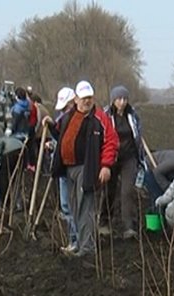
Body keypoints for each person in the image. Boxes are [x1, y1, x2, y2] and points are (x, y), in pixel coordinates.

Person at [50, 80, 119, 258]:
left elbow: (111, 142)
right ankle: (79, 243)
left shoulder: (99, 118)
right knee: (73, 208)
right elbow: (61, 135)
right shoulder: (69, 117)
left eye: (89, 98)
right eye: (83, 98)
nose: (87, 101)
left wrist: (105, 165)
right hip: (68, 167)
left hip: (87, 167)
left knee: (85, 207)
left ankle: (87, 248)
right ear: (76, 100)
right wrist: (50, 126)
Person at [99, 85, 144, 239]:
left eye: (125, 99)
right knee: (109, 191)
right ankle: (104, 222)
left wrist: (140, 156)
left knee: (127, 191)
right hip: (111, 157)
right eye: (119, 99)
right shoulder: (106, 115)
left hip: (129, 157)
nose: (122, 102)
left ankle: (129, 227)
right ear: (113, 100)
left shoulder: (133, 115)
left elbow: (138, 135)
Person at [43, 87, 79, 252]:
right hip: (63, 167)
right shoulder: (62, 119)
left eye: (66, 107)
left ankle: (80, 241)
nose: (65, 110)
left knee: (75, 205)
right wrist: (51, 128)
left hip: (75, 168)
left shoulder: (79, 119)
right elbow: (60, 137)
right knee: (66, 205)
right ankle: (74, 240)